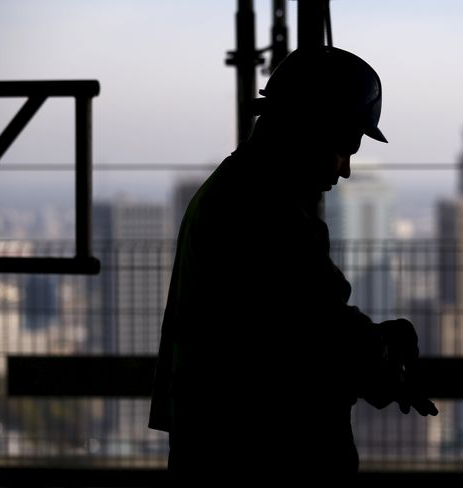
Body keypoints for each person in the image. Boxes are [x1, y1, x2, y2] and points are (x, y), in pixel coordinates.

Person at [148, 46, 437, 481]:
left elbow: (294, 321)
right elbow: (312, 334)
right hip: (261, 458)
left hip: (224, 448)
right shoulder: (263, 213)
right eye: (344, 147)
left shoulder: (238, 195)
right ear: (309, 127)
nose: (345, 170)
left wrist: (373, 343)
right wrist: (376, 358)